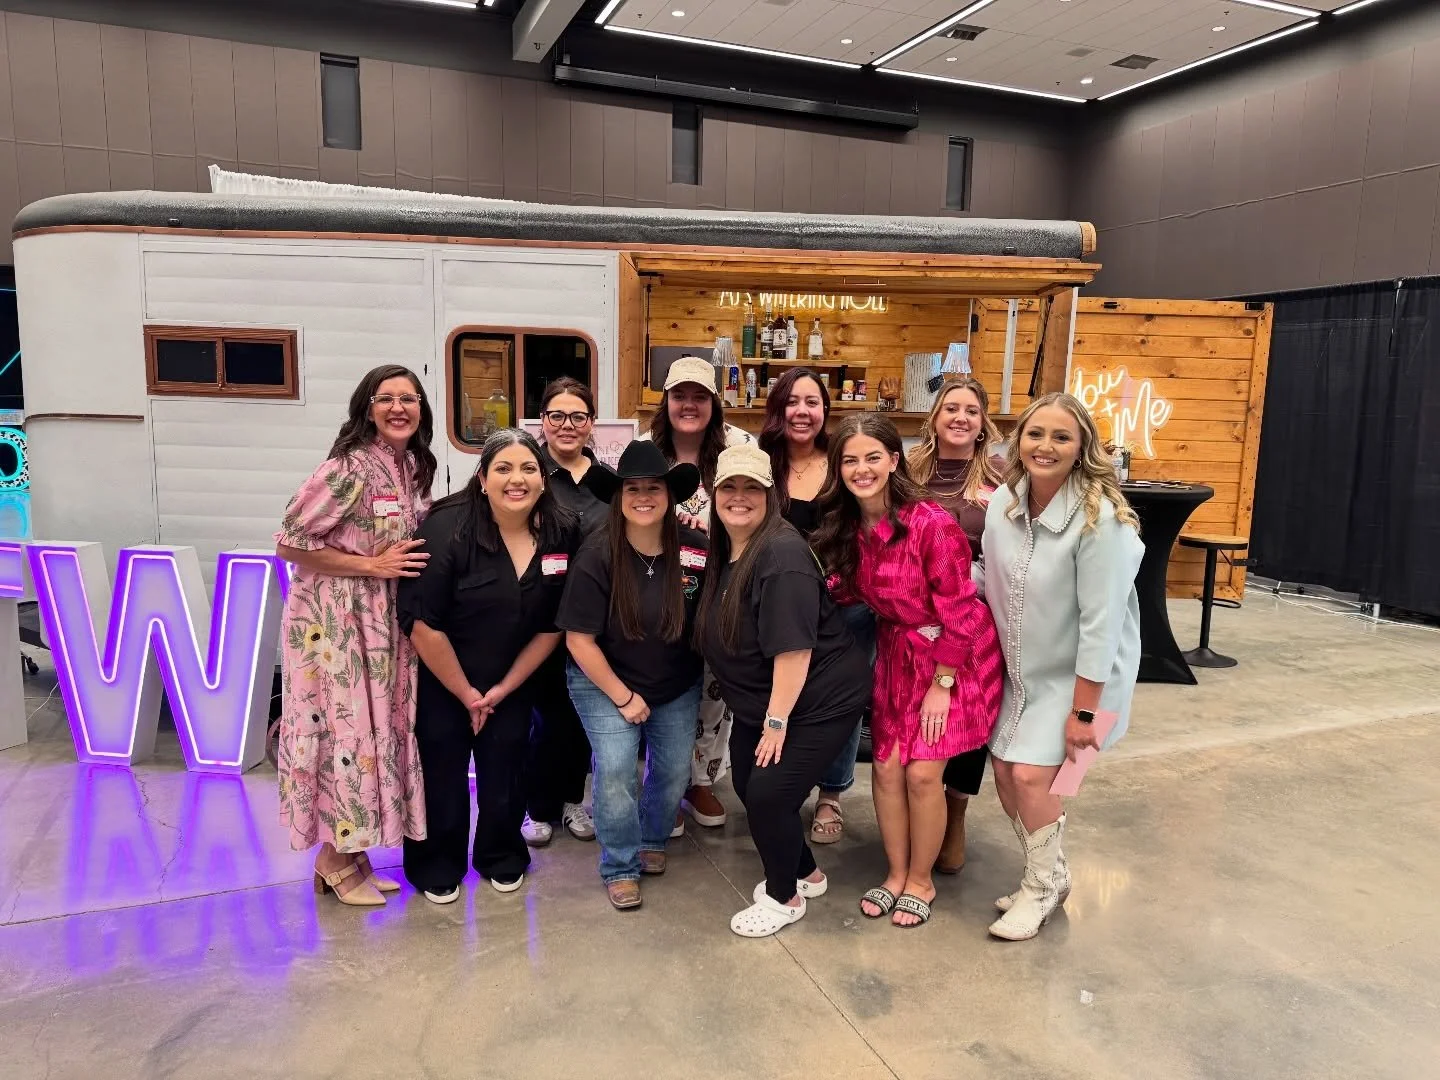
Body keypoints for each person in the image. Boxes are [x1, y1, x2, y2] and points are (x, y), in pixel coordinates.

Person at [813, 414, 1002, 928]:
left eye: (873, 456)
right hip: (897, 653)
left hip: (953, 656)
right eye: (850, 460)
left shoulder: (930, 523)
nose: (861, 469)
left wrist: (943, 684)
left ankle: (922, 880)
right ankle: (896, 873)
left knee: (923, 774)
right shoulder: (851, 526)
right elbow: (853, 590)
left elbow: (961, 610)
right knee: (886, 769)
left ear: (895, 460)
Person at [982, 392, 1143, 941]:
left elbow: (1102, 627)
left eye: (1061, 437)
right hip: (1023, 670)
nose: (1045, 446)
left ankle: (1041, 887)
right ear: (1018, 439)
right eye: (1035, 434)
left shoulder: (1103, 522)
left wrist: (1084, 711)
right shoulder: (1003, 509)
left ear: (1082, 450)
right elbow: (993, 581)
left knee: (1031, 774)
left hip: (1082, 680)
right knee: (1005, 774)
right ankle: (1047, 873)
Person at [274, 364, 435, 907]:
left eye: (408, 399)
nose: (398, 408)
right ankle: (333, 858)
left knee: (373, 727)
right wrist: (371, 567)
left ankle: (350, 849)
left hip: (382, 623)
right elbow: (289, 542)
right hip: (335, 625)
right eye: (386, 398)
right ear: (366, 407)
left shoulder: (410, 465)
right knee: (344, 734)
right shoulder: (346, 469)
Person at [696, 444, 872, 938]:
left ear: (770, 495)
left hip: (818, 700)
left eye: (752, 487)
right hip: (764, 698)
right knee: (752, 786)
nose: (739, 497)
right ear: (713, 494)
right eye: (729, 486)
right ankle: (805, 872)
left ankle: (783, 895)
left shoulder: (782, 554)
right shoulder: (727, 547)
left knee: (771, 795)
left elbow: (793, 651)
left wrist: (775, 722)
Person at [397, 429, 579, 902]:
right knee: (443, 773)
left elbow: (553, 625)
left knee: (506, 771)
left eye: (528, 469)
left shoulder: (561, 532)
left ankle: (501, 853)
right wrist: (466, 694)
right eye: (503, 468)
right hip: (444, 677)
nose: (515, 479)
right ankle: (437, 862)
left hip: (513, 678)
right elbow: (421, 623)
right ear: (482, 478)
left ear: (544, 479)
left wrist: (502, 689)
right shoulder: (445, 529)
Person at [557, 441, 707, 910]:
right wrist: (623, 698)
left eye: (654, 488)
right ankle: (619, 864)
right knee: (618, 766)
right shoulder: (597, 554)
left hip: (675, 680)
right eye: (633, 489)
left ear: (670, 495)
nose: (644, 496)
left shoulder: (697, 549)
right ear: (619, 497)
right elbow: (578, 640)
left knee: (674, 768)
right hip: (603, 677)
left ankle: (652, 838)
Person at [641, 355, 753, 833]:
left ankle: (700, 780)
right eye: (679, 395)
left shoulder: (739, 446)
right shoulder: (645, 448)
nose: (689, 405)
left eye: (700, 396)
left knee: (715, 688)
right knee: (663, 686)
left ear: (715, 402)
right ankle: (663, 780)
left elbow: (758, 505)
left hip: (721, 589)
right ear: (666, 401)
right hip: (659, 589)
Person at [759, 367, 870, 846]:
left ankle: (831, 795)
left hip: (845, 606)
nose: (802, 411)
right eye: (792, 401)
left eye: (813, 402)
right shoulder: (761, 463)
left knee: (840, 703)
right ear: (778, 408)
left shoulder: (843, 462)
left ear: (826, 411)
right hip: (777, 605)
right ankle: (783, 784)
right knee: (781, 697)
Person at [905, 377, 1004, 874]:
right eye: (951, 408)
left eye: (971, 410)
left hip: (975, 614)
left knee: (970, 717)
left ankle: (957, 809)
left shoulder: (1004, 476)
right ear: (935, 416)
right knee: (919, 718)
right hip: (914, 615)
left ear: (983, 421)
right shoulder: (909, 470)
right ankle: (921, 810)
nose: (960, 418)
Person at [522, 377, 603, 848]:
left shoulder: (604, 480)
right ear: (543, 422)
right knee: (542, 715)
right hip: (540, 613)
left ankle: (574, 800)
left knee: (580, 715)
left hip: (591, 619)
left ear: (591, 423)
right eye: (557, 416)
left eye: (578, 416)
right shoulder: (527, 471)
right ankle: (537, 807)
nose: (567, 425)